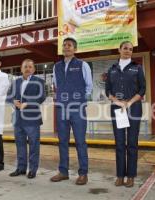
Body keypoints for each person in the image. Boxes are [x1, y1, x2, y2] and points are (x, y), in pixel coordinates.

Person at [50, 37, 93, 185]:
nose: (66, 47)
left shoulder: (83, 65)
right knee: (62, 141)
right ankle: (63, 171)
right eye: (64, 45)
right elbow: (56, 85)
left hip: (77, 109)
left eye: (69, 45)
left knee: (80, 141)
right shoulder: (56, 66)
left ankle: (83, 173)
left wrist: (79, 101)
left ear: (75, 49)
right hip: (62, 108)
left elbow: (89, 86)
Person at [105, 41, 146, 187]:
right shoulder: (112, 69)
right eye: (125, 48)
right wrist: (117, 101)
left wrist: (128, 103)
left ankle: (131, 176)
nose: (128, 51)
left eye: (130, 49)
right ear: (119, 50)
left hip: (133, 108)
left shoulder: (137, 68)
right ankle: (120, 175)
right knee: (120, 143)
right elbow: (107, 91)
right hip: (117, 109)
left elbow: (142, 89)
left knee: (132, 143)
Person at [9, 59, 46, 179]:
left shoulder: (39, 81)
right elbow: (8, 97)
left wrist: (27, 103)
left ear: (34, 69)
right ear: (21, 69)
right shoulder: (16, 82)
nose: (28, 69)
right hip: (18, 118)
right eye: (25, 66)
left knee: (34, 145)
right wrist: (12, 101)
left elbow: (41, 97)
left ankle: (33, 169)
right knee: (20, 144)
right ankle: (21, 168)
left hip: (32, 119)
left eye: (30, 67)